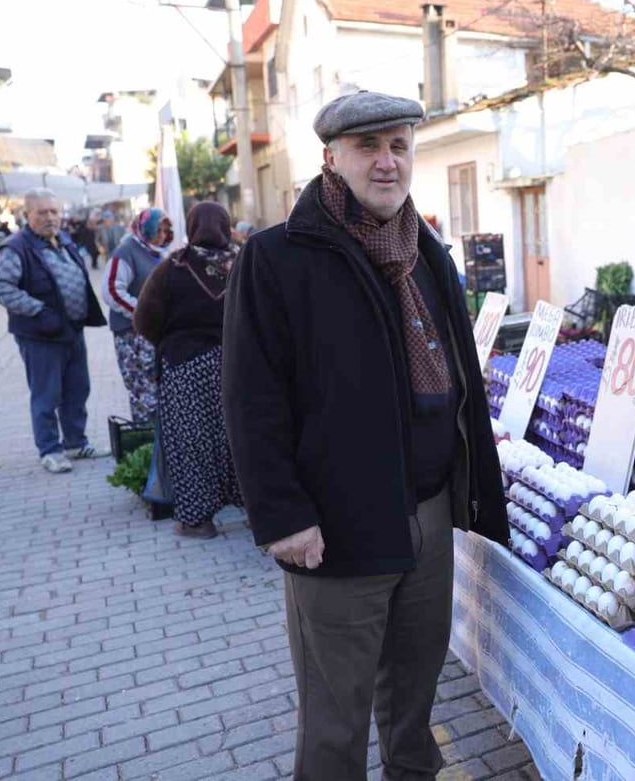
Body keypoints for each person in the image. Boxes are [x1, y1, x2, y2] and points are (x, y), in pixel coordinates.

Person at [223, 91, 508, 780]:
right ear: (331, 158)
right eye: (368, 147)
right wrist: (283, 517)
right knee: (336, 719)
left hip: (428, 515)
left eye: (399, 146)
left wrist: (474, 496)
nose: (387, 162)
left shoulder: (428, 254)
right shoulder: (277, 258)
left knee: (414, 698)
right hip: (337, 529)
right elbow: (250, 400)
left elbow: (461, 381)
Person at [134, 202, 242, 539]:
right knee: (243, 438)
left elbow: (144, 319)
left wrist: (171, 342)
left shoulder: (173, 267)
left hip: (185, 367)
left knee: (191, 443)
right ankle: (258, 510)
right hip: (239, 365)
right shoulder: (245, 262)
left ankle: (197, 522)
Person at [0, 188, 109, 472]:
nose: (50, 217)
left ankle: (76, 443)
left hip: (71, 330)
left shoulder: (63, 240)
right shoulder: (16, 247)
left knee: (77, 389)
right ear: (27, 215)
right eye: (42, 212)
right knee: (46, 394)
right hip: (40, 334)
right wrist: (37, 309)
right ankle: (50, 450)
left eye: (54, 211)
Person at [104, 208, 169, 422]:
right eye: (157, 231)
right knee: (142, 392)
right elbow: (112, 290)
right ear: (145, 229)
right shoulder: (126, 252)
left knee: (155, 391)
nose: (162, 236)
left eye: (165, 231)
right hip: (131, 334)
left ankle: (158, 438)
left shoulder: (156, 252)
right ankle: (145, 438)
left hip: (152, 332)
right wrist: (142, 311)